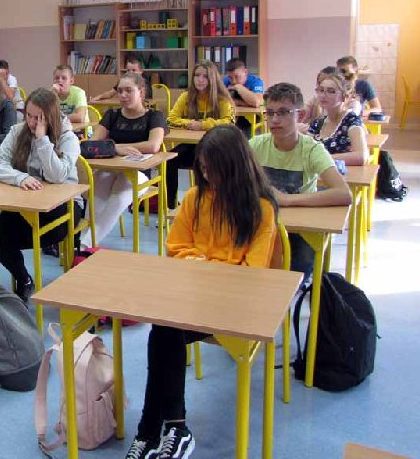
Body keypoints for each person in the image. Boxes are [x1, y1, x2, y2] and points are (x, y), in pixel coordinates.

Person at [125, 125, 278, 459]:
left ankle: (151, 431)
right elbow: (175, 247)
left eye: (214, 170)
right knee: (165, 328)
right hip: (194, 300)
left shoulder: (261, 209)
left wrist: (202, 264)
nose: (208, 176)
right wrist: (204, 264)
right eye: (204, 169)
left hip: (234, 307)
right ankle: (171, 430)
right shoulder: (195, 197)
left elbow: (251, 274)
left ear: (235, 167)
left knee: (164, 331)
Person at [249, 83, 352, 277]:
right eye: (270, 113)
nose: (275, 120)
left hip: (300, 229)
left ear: (301, 115)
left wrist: (287, 199)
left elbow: (344, 194)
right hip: (263, 223)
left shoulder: (312, 149)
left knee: (297, 267)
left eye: (283, 112)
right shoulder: (256, 145)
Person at [0, 88, 83, 302]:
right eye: (29, 115)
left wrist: (42, 140)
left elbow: (58, 176)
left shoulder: (68, 138)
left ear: (51, 117)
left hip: (65, 207)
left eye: (39, 118)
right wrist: (19, 177)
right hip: (26, 203)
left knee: (13, 236)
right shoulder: (18, 131)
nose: (32, 122)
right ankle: (24, 280)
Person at [81, 72, 166, 246]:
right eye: (120, 91)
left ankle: (85, 244)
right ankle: (83, 240)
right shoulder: (112, 115)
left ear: (141, 92)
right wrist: (117, 148)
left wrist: (112, 146)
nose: (123, 95)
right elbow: (91, 144)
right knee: (95, 193)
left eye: (128, 90)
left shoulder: (154, 116)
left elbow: (153, 145)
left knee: (118, 197)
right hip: (110, 169)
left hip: (139, 173)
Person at [165, 61, 234, 210]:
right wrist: (190, 123)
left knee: (205, 164)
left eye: (205, 76)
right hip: (192, 146)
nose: (200, 80)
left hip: (216, 147)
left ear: (212, 79)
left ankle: (209, 205)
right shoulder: (186, 96)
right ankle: (171, 206)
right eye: (197, 75)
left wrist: (203, 125)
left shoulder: (222, 99)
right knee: (169, 160)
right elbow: (171, 120)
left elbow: (228, 122)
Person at [307, 70, 368, 165]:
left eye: (331, 91)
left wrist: (322, 158)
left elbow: (362, 156)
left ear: (344, 97)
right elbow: (306, 154)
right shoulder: (317, 124)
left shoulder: (351, 121)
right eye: (321, 90)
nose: (323, 95)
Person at [222, 58, 264, 137]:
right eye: (230, 78)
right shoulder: (225, 81)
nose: (233, 81)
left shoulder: (256, 81)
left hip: (251, 120)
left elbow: (257, 102)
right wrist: (247, 103)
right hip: (231, 116)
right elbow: (220, 100)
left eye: (237, 77)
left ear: (245, 72)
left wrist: (239, 87)